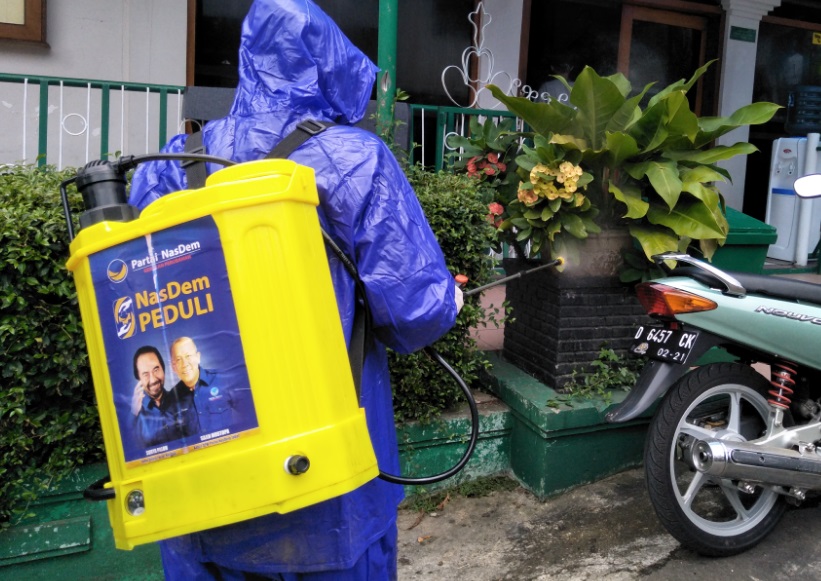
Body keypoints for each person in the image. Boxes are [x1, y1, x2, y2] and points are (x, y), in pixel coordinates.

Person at [127, 0, 461, 578]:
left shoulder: (173, 163)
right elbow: (415, 315)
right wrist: (448, 299)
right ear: (330, 65)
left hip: (201, 485)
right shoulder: (356, 160)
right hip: (327, 494)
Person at [169, 336, 254, 436]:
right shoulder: (171, 398)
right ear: (174, 367)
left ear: (198, 357)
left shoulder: (222, 380)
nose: (185, 364)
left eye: (188, 356)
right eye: (178, 359)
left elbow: (252, 415)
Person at [131, 345, 198, 449]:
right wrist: (133, 416)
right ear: (138, 378)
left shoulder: (183, 397)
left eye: (156, 369)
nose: (153, 379)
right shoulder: (135, 416)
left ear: (163, 369)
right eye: (145, 374)